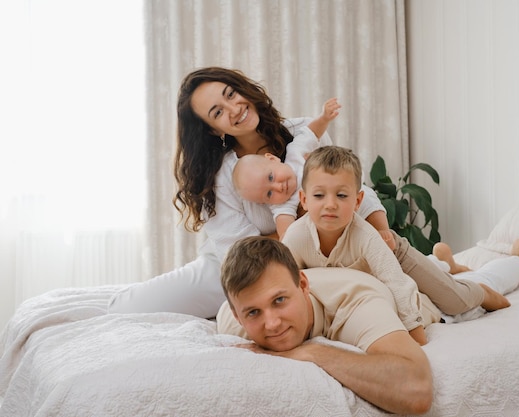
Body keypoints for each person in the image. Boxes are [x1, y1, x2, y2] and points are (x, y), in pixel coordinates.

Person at [109, 67, 382, 318]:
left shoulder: (304, 133)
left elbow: (344, 192)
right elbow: (242, 251)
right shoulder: (220, 176)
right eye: (217, 112)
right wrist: (308, 223)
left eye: (231, 94)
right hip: (232, 268)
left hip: (309, 262)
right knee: (129, 307)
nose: (234, 108)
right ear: (213, 129)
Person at [281, 146, 519, 343]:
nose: (330, 204)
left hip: (396, 258)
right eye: (318, 195)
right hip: (370, 279)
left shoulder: (366, 236)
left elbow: (396, 283)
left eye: (342, 195)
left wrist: (415, 333)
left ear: (358, 202)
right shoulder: (295, 237)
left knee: (454, 302)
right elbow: (285, 281)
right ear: (303, 199)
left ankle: (480, 289)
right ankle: (446, 265)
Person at [216, 236, 433, 415]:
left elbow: (417, 389)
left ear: (303, 285)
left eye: (279, 300)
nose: (272, 324)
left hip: (411, 295)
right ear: (238, 316)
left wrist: (313, 352)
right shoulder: (229, 318)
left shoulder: (356, 303)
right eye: (254, 313)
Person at [232, 97, 341, 240]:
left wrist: (324, 117)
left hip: (339, 196)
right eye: (269, 194)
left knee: (365, 196)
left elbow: (311, 133)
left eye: (271, 177)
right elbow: (286, 233)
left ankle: (381, 227)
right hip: (327, 222)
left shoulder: (295, 154)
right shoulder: (283, 205)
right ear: (264, 202)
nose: (278, 187)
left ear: (272, 158)